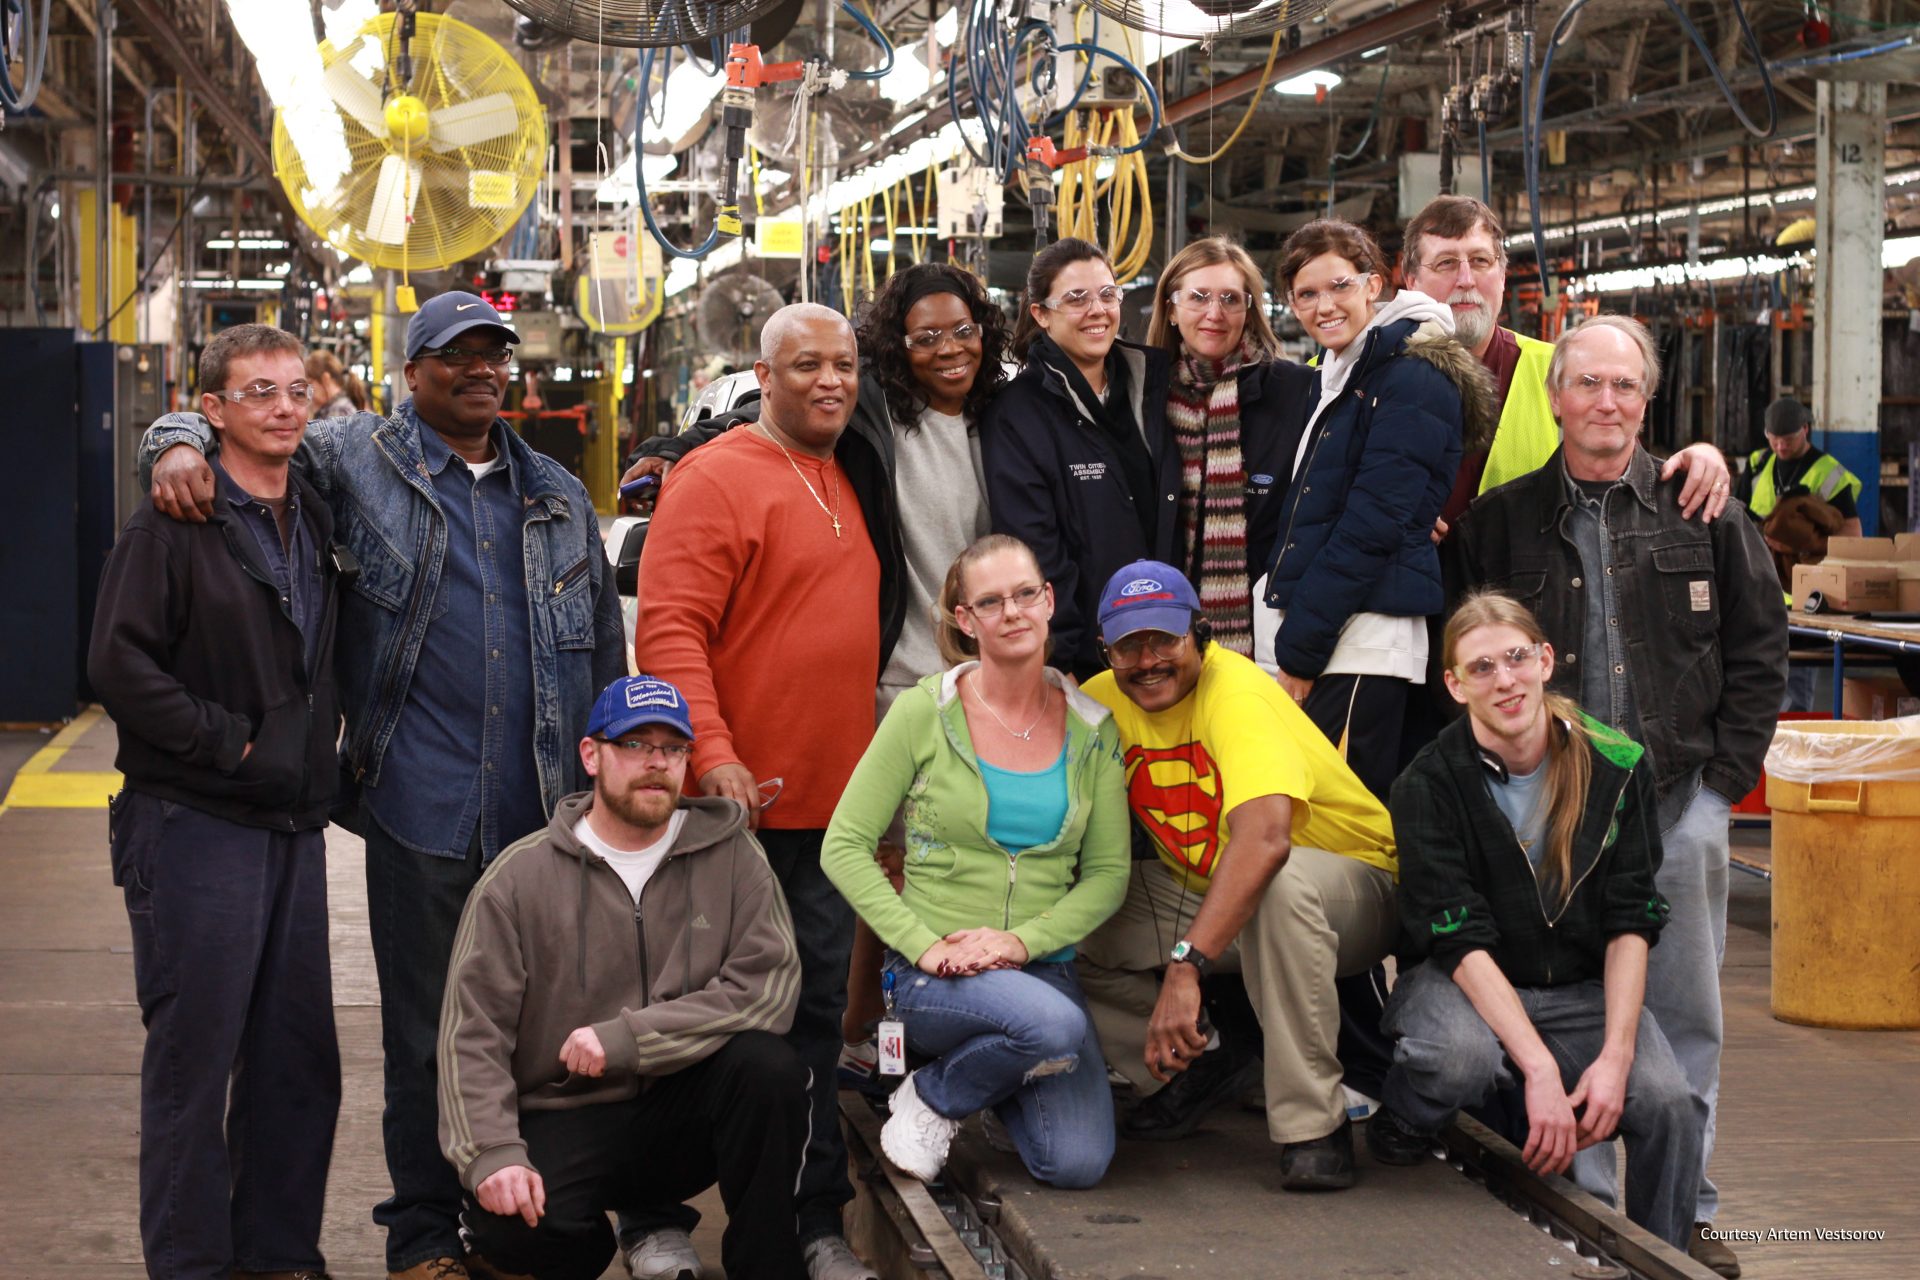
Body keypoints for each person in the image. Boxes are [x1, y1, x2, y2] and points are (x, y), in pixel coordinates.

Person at [139, 291, 628, 1280]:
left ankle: (511, 1222)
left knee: (537, 1033)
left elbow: (606, 658)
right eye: (456, 355)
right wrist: (172, 442)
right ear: (413, 374)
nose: (481, 369)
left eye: (495, 353)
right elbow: (248, 426)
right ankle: (419, 1232)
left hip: (541, 809)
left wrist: (613, 778)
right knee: (423, 1036)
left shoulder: (557, 495)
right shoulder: (354, 458)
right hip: (420, 799)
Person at [1446, 315, 1785, 1279]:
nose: (1605, 402)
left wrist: (1723, 787)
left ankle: (1690, 1205)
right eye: (1586, 384)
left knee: (1687, 1019)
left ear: (1646, 399)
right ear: (1554, 399)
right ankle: (1586, 1206)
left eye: (1624, 387)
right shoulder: (1496, 525)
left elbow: (1761, 652)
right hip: (1548, 811)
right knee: (1575, 1007)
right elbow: (1464, 662)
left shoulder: (1704, 509)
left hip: (1679, 807)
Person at [90, 324, 345, 1280]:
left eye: (295, 392)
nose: (283, 408)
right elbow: (117, 662)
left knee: (293, 1059)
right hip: (194, 822)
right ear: (212, 411)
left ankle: (278, 1254)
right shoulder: (173, 520)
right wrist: (224, 740)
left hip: (291, 824)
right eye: (259, 393)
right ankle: (192, 1264)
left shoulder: (314, 511)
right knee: (196, 1066)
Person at [633, 302, 880, 1280]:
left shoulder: (852, 474)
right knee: (693, 1012)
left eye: (846, 364)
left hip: (829, 810)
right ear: (764, 377)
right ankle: (652, 1213)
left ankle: (806, 1217)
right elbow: (671, 630)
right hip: (726, 813)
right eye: (807, 364)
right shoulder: (716, 476)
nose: (830, 380)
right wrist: (710, 753)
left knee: (814, 1015)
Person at [438, 674, 809, 1280]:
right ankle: (579, 1251)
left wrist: (628, 1038)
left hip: (686, 1111)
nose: (655, 763)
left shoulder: (734, 855)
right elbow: (470, 1038)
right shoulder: (518, 879)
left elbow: (767, 990)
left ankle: (768, 1267)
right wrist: (492, 1155)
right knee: (508, 1227)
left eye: (672, 749)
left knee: (769, 1069)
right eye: (635, 744)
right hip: (565, 1114)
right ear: (592, 754)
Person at [1370, 591, 1703, 1252]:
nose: (1506, 680)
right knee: (1459, 1058)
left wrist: (1615, 1057)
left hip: (1577, 988)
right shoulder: (1427, 785)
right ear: (1454, 685)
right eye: (1482, 668)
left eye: (1516, 658)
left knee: (1668, 1103)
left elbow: (1630, 922)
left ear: (1546, 660)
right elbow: (1459, 943)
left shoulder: (1618, 766)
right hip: (1464, 979)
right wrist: (1543, 1072)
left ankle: (1665, 1254)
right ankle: (1404, 1117)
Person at [1077, 561, 1400, 1191]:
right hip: (1207, 889)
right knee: (1070, 921)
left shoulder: (1237, 692)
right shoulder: (1097, 701)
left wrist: (1185, 966)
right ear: (1105, 649)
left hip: (1349, 885)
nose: (1147, 661)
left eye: (1163, 640)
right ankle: (1197, 1065)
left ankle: (1314, 1126)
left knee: (1278, 887)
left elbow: (1265, 841)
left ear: (1199, 633)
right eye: (1128, 645)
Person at [823, 535, 1131, 1188]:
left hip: (1041, 971)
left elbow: (1108, 874)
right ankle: (933, 1096)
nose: (1012, 612)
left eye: (1025, 594)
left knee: (1073, 1162)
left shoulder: (1093, 729)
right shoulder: (922, 712)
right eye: (990, 601)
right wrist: (921, 946)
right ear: (965, 620)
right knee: (1053, 1027)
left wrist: (1021, 943)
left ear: (1049, 601)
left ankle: (969, 1085)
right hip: (932, 976)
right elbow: (843, 844)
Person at [1261, 219, 1479, 800]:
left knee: (1344, 825)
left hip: (1362, 641)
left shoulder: (1411, 375)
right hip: (1336, 634)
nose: (1323, 306)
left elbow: (1370, 527)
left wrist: (1301, 651)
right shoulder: (1340, 373)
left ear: (1374, 285)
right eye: (1306, 294)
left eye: (1339, 286)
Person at [1399, 195, 1731, 529]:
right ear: (1411, 280)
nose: (1466, 279)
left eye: (1481, 260)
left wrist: (1700, 459)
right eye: (1446, 263)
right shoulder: (1373, 375)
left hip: (1536, 578)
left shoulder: (1560, 370)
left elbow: (1627, 474)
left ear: (1502, 276)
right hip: (1408, 577)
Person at [982, 238, 1179, 681]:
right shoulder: (1017, 413)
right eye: (1076, 299)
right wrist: (1062, 658)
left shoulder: (1151, 388)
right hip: (1090, 657)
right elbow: (1034, 546)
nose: (1098, 310)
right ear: (1041, 314)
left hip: (1165, 639)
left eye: (1108, 295)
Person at [1142, 236, 1315, 660]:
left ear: (1250, 309)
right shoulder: (1144, 396)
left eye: (1231, 299)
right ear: (1171, 307)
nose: (1214, 314)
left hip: (1268, 633)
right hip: (1160, 626)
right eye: (1199, 297)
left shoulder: (1297, 391)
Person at [1740, 395, 1863, 537]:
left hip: (1804, 558)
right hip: (1756, 554)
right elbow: (1739, 511)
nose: (1780, 447)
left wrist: (1813, 547)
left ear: (1805, 429)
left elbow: (1852, 532)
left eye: (1789, 439)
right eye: (1773, 438)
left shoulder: (1830, 473)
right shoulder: (1758, 462)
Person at [305, 347, 367, 418]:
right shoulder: (336, 408)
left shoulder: (338, 411)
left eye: (310, 383)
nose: (308, 392)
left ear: (325, 379)